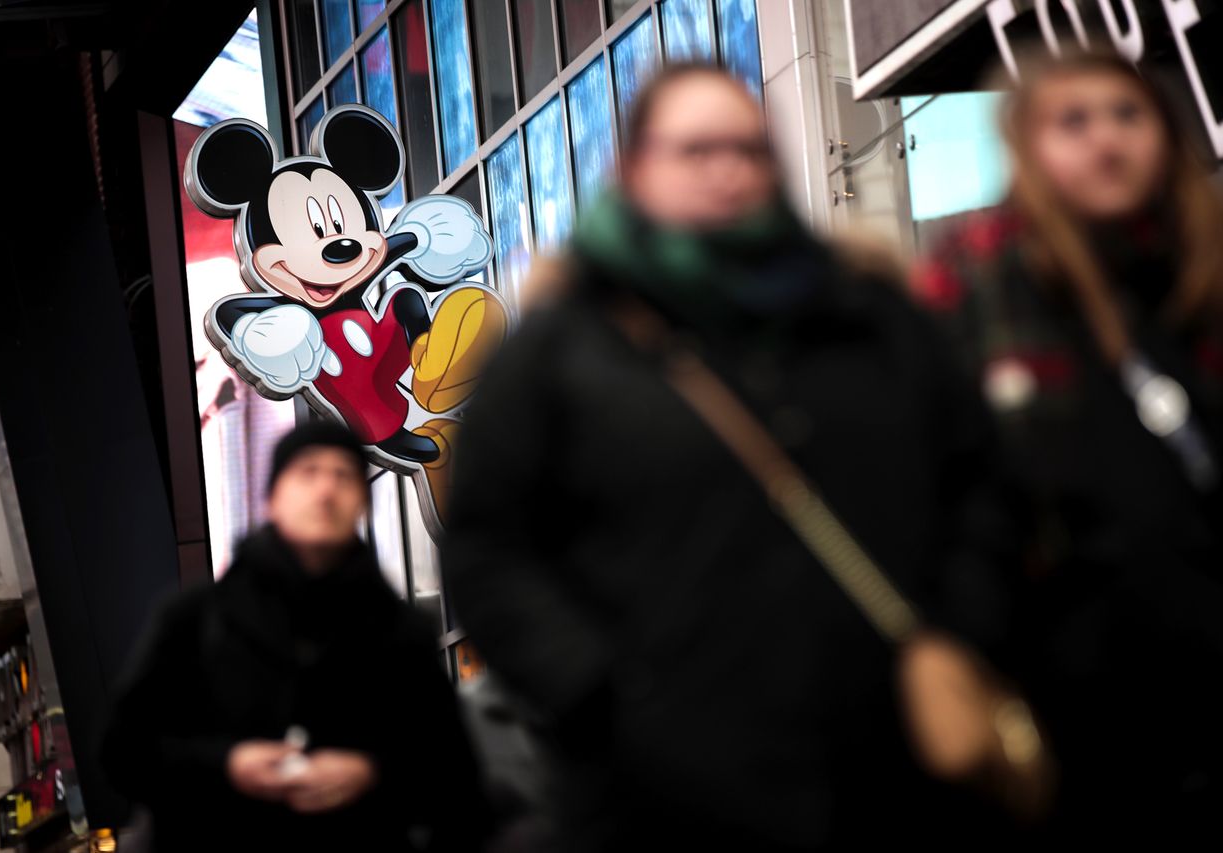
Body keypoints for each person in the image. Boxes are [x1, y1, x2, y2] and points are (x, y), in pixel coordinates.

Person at [442, 64, 1024, 851]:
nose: (729, 170)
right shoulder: (560, 350)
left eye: (750, 149)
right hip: (663, 797)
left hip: (890, 767)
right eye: (697, 149)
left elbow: (977, 484)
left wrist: (959, 627)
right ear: (636, 167)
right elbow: (489, 549)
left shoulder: (869, 313)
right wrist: (601, 698)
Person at [913, 50, 1223, 843]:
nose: (1106, 142)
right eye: (1072, 122)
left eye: (1127, 114)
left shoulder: (1203, 267)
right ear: (1027, 144)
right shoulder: (978, 275)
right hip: (1068, 689)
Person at [101, 421, 490, 851]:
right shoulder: (193, 619)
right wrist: (228, 765)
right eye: (308, 472)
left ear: (361, 503)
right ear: (273, 499)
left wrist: (371, 772)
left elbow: (456, 777)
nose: (326, 490)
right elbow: (123, 751)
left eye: (343, 476)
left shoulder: (400, 633)